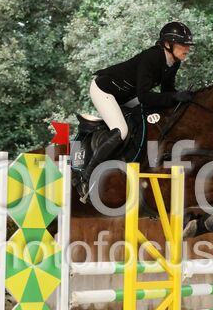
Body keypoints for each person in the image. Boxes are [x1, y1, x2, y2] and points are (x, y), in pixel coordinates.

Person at [79, 21, 196, 197]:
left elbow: (167, 91)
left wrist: (182, 99)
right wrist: (174, 97)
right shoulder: (152, 57)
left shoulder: (174, 62)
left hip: (127, 95)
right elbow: (145, 96)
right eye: (182, 44)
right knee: (121, 131)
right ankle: (86, 177)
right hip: (105, 90)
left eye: (188, 45)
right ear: (167, 44)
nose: (187, 49)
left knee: (152, 118)